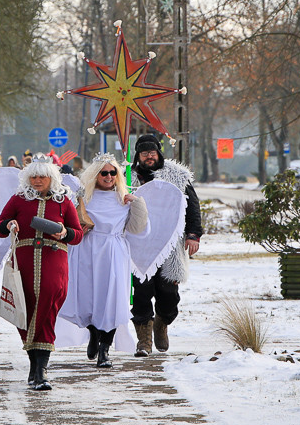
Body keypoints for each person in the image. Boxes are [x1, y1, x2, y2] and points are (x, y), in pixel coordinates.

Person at [0, 157, 84, 390]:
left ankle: (41, 371)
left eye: (42, 176)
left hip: (54, 263)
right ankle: (35, 368)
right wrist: (9, 225)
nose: (37, 180)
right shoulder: (18, 199)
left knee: (47, 309)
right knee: (25, 311)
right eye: (33, 176)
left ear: (51, 178)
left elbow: (78, 234)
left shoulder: (63, 201)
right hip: (23, 264)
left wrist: (64, 232)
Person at [59, 155, 149, 367]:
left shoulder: (124, 198)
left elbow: (139, 229)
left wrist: (137, 204)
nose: (109, 177)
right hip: (86, 250)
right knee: (88, 297)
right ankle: (93, 332)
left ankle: (104, 350)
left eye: (113, 172)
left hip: (113, 252)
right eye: (104, 173)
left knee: (111, 299)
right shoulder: (85, 197)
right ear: (96, 174)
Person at [130, 133, 202, 356]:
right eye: (144, 153)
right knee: (141, 292)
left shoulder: (177, 177)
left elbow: (192, 206)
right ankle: (144, 340)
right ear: (138, 155)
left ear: (159, 153)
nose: (149, 157)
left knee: (168, 293)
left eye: (152, 152)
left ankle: (162, 323)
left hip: (170, 245)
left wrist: (193, 234)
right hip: (140, 245)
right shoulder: (126, 177)